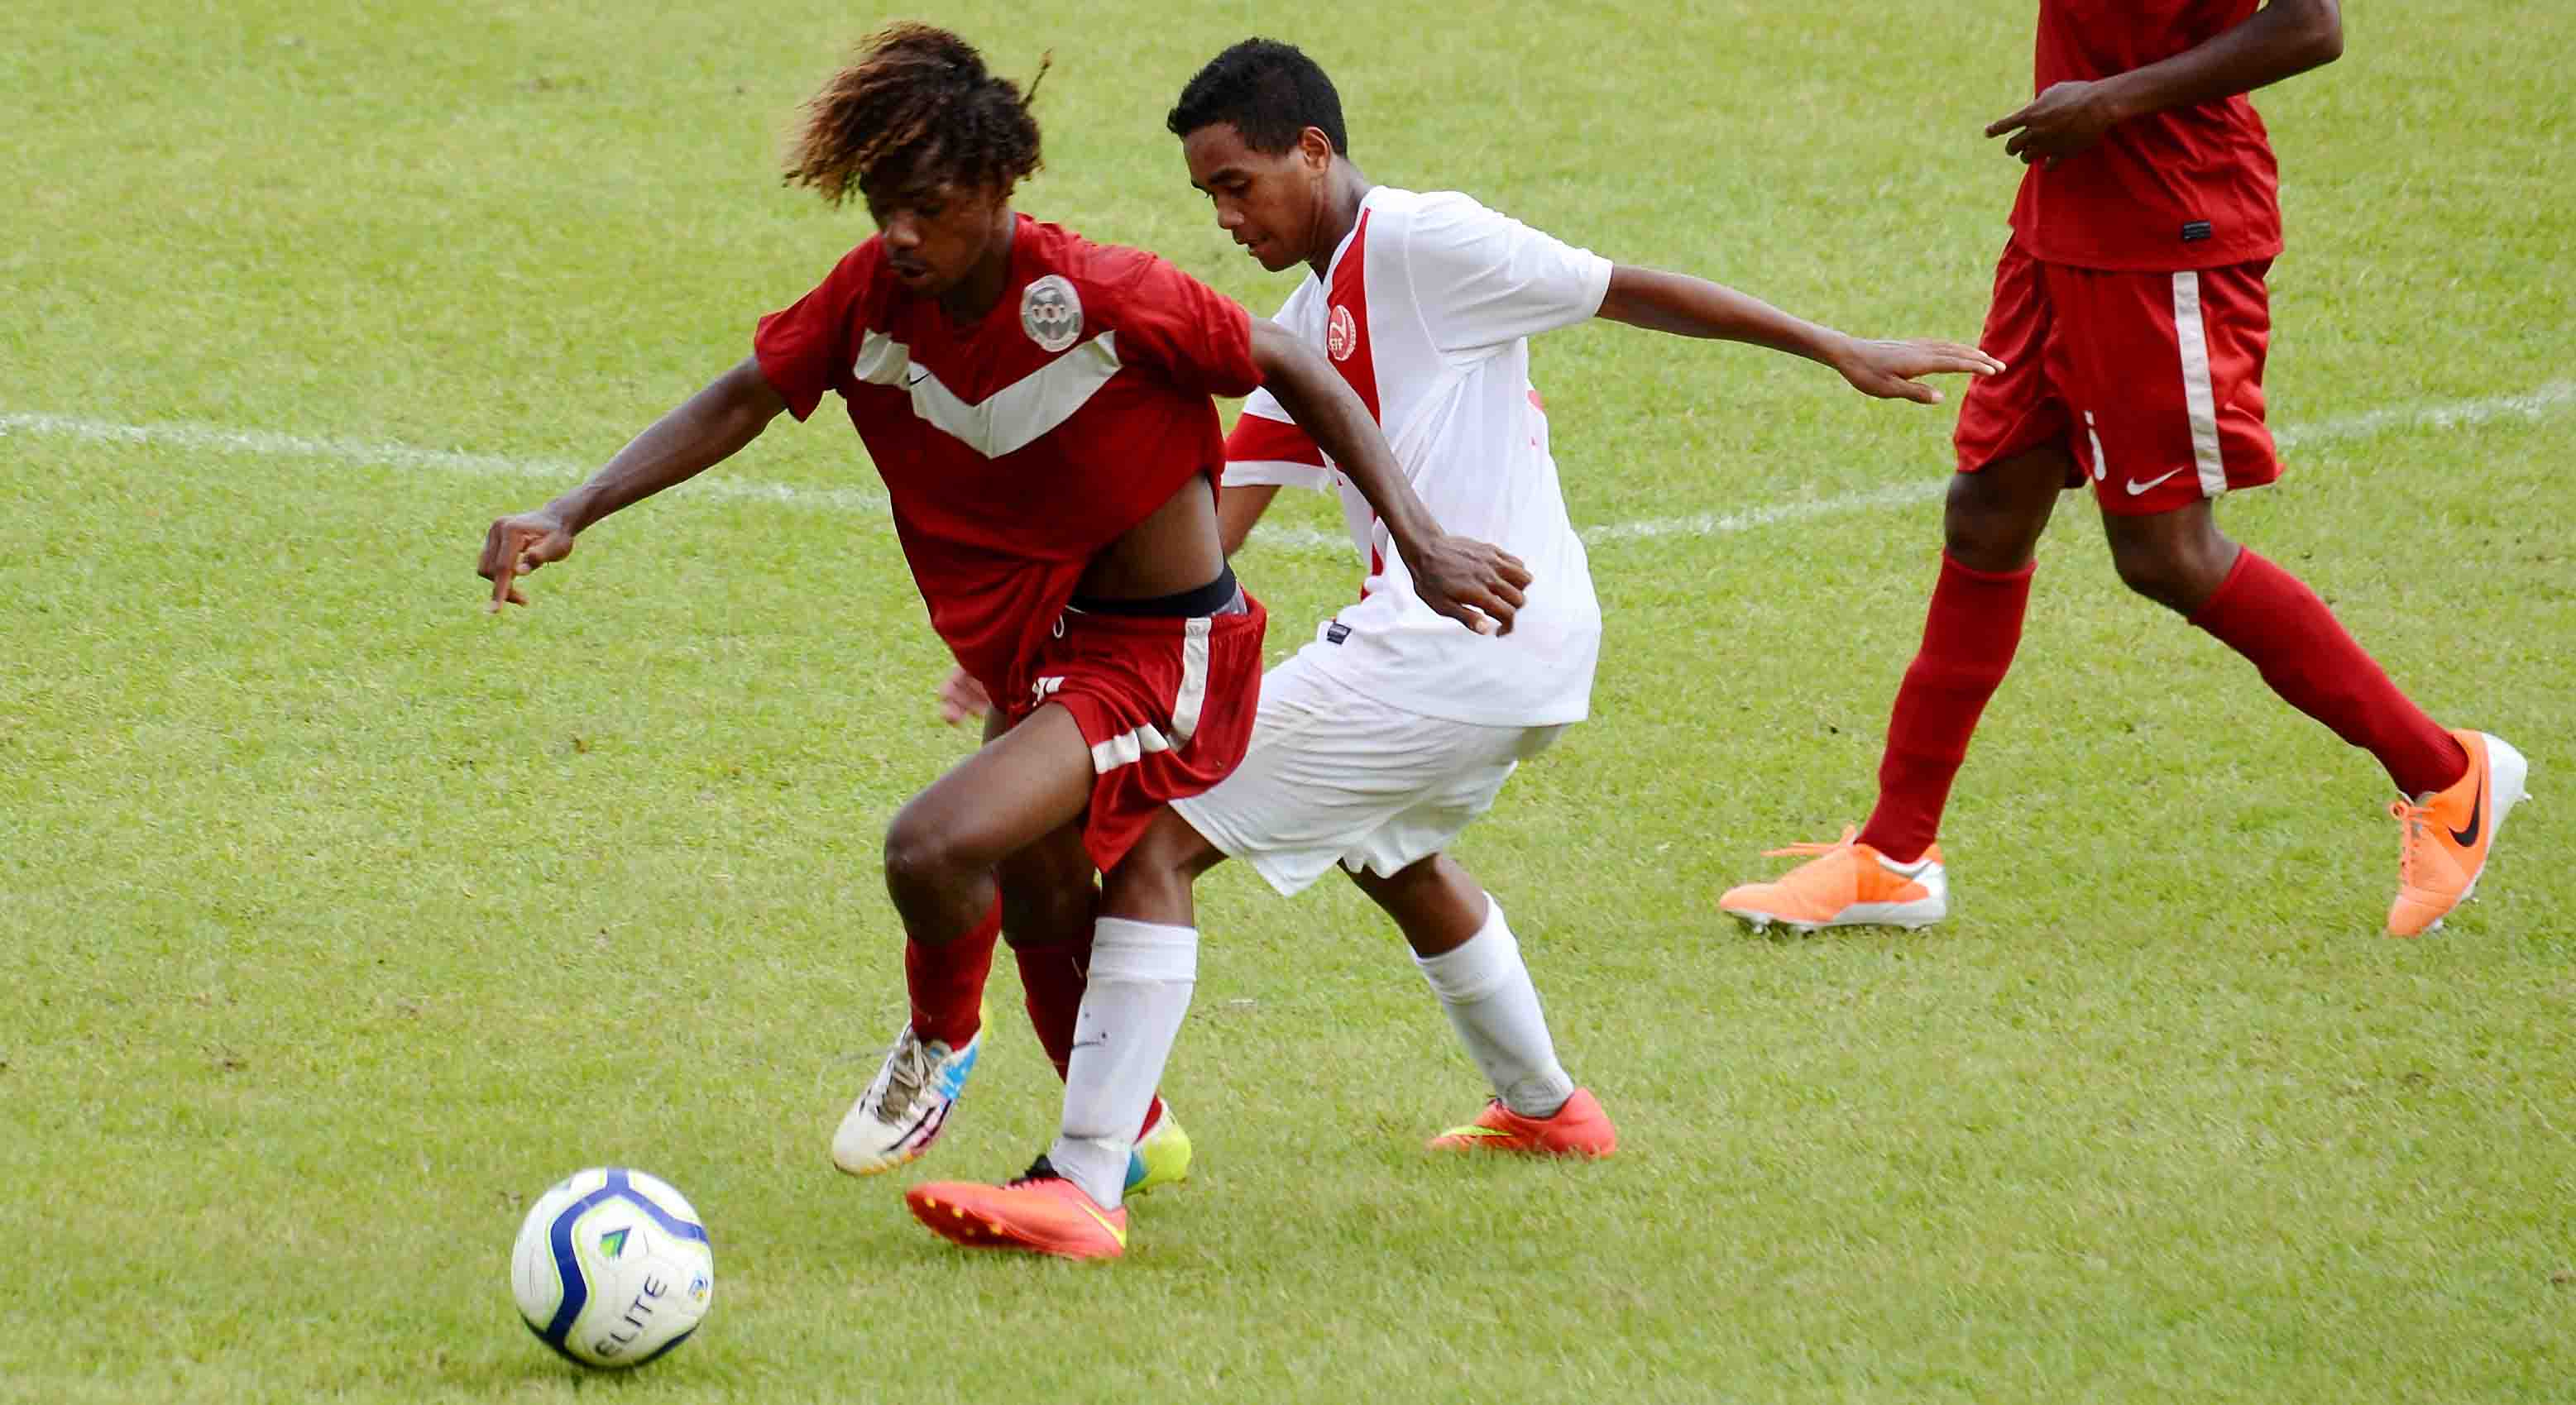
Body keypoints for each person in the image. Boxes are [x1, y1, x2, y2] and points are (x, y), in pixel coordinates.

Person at [476, 23, 1529, 1262]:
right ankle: (1126, 1129)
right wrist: (569, 507)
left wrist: (1419, 541)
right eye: (883, 208)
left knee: (933, 844)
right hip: (1050, 645)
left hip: (1164, 650)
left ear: (995, 184)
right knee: (1037, 883)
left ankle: (941, 1041)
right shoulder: (874, 297)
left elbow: (1288, 356)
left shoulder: (1098, 291)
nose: (902, 236)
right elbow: (742, 395)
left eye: (927, 207)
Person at [909, 36, 1997, 1168]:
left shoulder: (1425, 240)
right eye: (1206, 194)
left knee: (1151, 839)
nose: (1224, 217)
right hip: (1504, 644)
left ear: (1314, 152)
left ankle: (1089, 1172)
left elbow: (1623, 288)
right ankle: (1546, 1106)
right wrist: (1050, 633)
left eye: (1236, 183)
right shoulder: (1312, 310)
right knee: (1387, 852)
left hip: (1457, 638)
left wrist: (1832, 346)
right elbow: (1213, 512)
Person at [1718, 0, 2526, 938]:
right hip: (2061, 221)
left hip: (2168, 232)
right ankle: (1895, 857)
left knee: (2166, 553)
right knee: (1986, 513)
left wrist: (2113, 101)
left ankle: (2445, 773)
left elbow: (2312, 26)